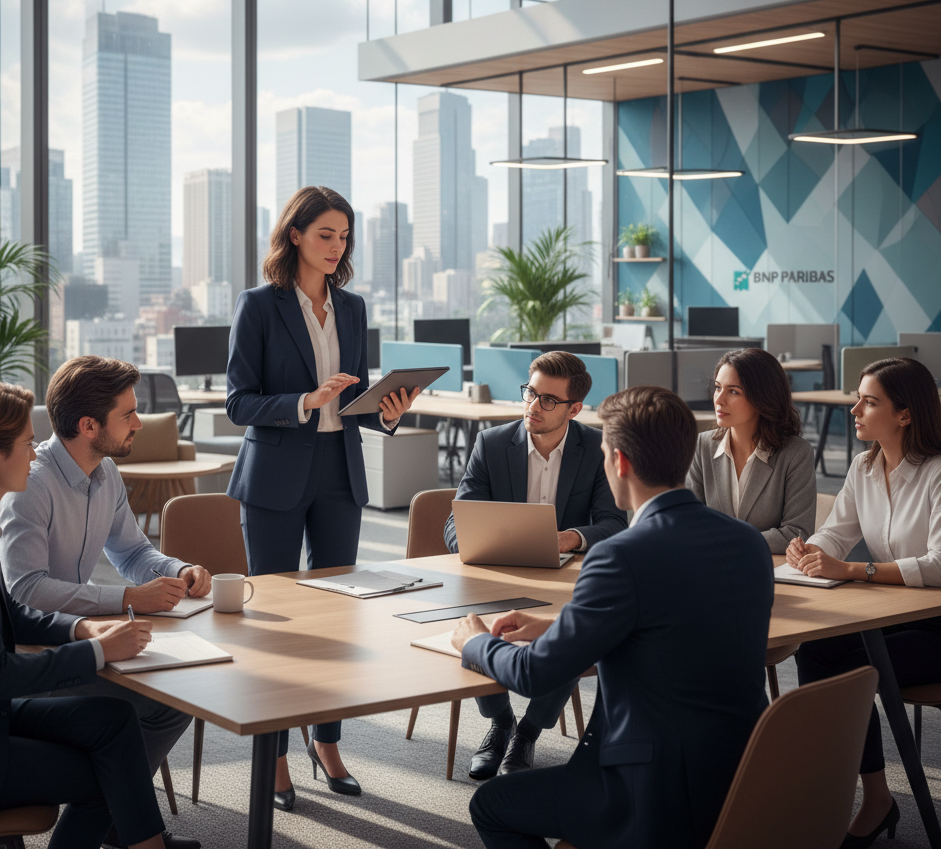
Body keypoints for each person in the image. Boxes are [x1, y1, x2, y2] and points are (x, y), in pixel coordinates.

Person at [451, 385, 774, 849]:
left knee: (491, 805)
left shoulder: (621, 555)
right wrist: (564, 621)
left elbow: (535, 673)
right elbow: (672, 617)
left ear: (619, 462)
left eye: (604, 454)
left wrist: (474, 640)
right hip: (743, 769)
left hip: (652, 790)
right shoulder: (747, 542)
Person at [225, 185, 416, 811]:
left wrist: (387, 413)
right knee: (277, 623)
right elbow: (238, 403)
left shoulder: (354, 308)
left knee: (337, 619)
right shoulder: (259, 305)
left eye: (344, 236)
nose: (337, 246)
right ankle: (275, 754)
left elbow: (355, 405)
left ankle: (326, 742)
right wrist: (303, 402)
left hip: (340, 472)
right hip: (276, 474)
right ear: (297, 235)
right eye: (326, 234)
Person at [0, 380, 169, 849]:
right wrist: (97, 651)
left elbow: (7, 610)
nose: (35, 455)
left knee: (114, 720)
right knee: (107, 774)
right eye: (28, 444)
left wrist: (80, 627)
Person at [0, 356, 209, 849]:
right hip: (32, 657)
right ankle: (120, 814)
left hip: (80, 641)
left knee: (178, 698)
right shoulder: (31, 484)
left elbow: (133, 550)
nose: (139, 422)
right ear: (88, 425)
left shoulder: (106, 471)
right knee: (161, 703)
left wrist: (176, 570)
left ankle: (118, 816)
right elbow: (24, 591)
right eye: (128, 414)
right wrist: (128, 597)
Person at [444, 350, 626, 780]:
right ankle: (501, 721)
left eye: (548, 400)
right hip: (496, 574)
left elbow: (614, 523)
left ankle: (527, 732)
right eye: (530, 393)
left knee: (568, 636)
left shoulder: (594, 450)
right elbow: (457, 519)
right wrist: (476, 539)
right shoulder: (491, 444)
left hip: (564, 580)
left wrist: (571, 537)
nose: (533, 406)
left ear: (574, 408)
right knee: (471, 626)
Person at [788, 357, 941, 848]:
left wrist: (855, 570)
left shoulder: (938, 471)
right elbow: (839, 531)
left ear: (905, 414)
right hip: (896, 615)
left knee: (854, 669)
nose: (854, 408)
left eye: (869, 401)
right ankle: (875, 794)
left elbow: (939, 564)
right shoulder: (865, 464)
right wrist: (812, 549)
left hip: (937, 625)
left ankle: (870, 800)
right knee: (817, 650)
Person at [687, 347, 816, 552]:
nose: (719, 400)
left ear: (762, 398)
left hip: (768, 571)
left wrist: (727, 540)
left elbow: (796, 533)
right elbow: (689, 521)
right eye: (718, 387)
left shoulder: (796, 454)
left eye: (733, 391)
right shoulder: (702, 446)